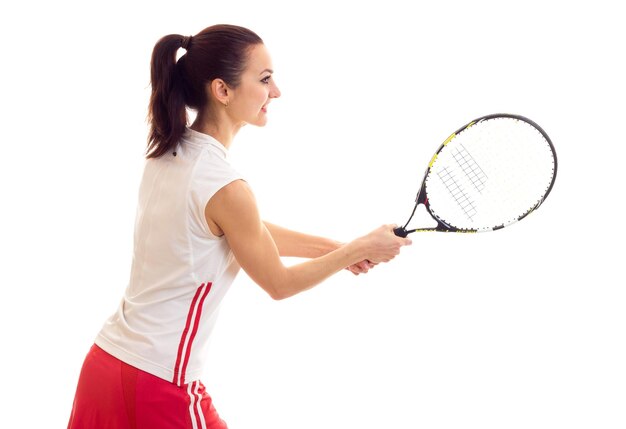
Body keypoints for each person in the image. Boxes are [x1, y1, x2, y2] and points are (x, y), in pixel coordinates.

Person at [67, 24, 411, 429]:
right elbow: (277, 283)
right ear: (222, 90)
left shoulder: (166, 153)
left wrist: (340, 247)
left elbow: (235, 231)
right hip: (162, 382)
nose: (276, 92)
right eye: (265, 80)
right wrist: (352, 253)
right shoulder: (226, 186)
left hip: (104, 367)